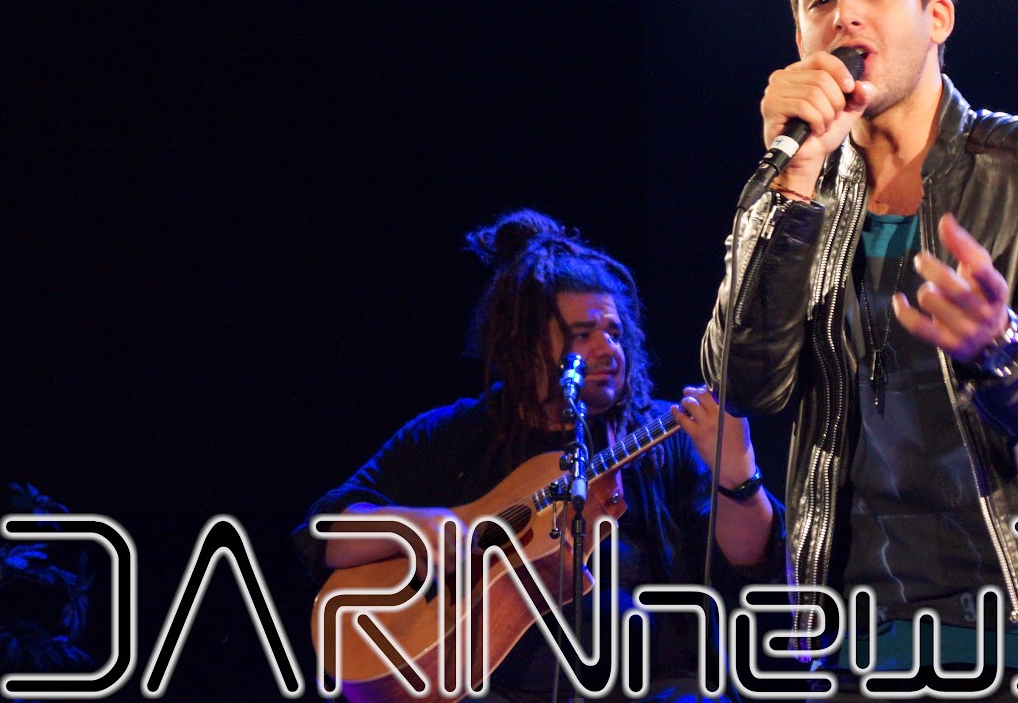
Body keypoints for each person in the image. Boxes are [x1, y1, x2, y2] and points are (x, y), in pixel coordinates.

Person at [702, 0, 1018, 698]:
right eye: (820, 0)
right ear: (799, 39)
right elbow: (745, 383)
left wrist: (995, 344)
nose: (845, 15)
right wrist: (791, 187)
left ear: (937, 17)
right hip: (859, 644)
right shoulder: (794, 189)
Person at [298, 209, 782, 702]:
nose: (607, 349)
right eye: (582, 334)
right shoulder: (453, 433)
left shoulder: (670, 433)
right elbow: (325, 536)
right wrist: (414, 528)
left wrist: (739, 477)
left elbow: (751, 564)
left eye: (615, 333)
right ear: (525, 345)